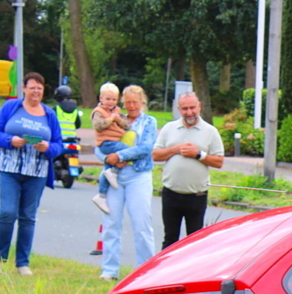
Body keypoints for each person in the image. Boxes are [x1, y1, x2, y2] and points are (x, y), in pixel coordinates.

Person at [0, 72, 63, 276]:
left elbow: (58, 145)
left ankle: (22, 263)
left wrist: (47, 147)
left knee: (28, 217)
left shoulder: (49, 114)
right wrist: (10, 140)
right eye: (32, 87)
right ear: (24, 89)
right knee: (7, 212)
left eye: (39, 88)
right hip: (10, 169)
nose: (36, 91)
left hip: (36, 173)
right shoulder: (11, 107)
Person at [97, 85, 157, 282]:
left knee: (141, 222)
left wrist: (119, 155)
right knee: (112, 221)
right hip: (115, 174)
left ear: (142, 102)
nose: (131, 106)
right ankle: (109, 269)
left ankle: (145, 270)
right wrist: (108, 158)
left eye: (135, 102)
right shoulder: (115, 117)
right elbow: (100, 143)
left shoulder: (149, 121)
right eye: (128, 102)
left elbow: (146, 148)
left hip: (138, 175)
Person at [152, 91, 225, 249]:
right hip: (171, 194)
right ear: (179, 109)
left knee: (194, 242)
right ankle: (167, 273)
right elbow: (156, 155)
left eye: (192, 107)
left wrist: (198, 154)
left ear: (199, 106)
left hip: (196, 196)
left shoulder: (210, 131)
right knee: (170, 239)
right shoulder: (169, 128)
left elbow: (219, 161)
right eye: (185, 109)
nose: (189, 112)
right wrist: (175, 149)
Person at [90, 82, 134, 214]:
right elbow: (98, 125)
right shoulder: (98, 112)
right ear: (101, 98)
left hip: (114, 141)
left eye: (114, 99)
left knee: (107, 168)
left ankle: (101, 195)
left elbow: (127, 125)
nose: (111, 102)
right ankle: (113, 170)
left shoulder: (117, 111)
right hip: (107, 143)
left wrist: (118, 119)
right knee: (128, 151)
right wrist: (111, 119)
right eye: (108, 99)